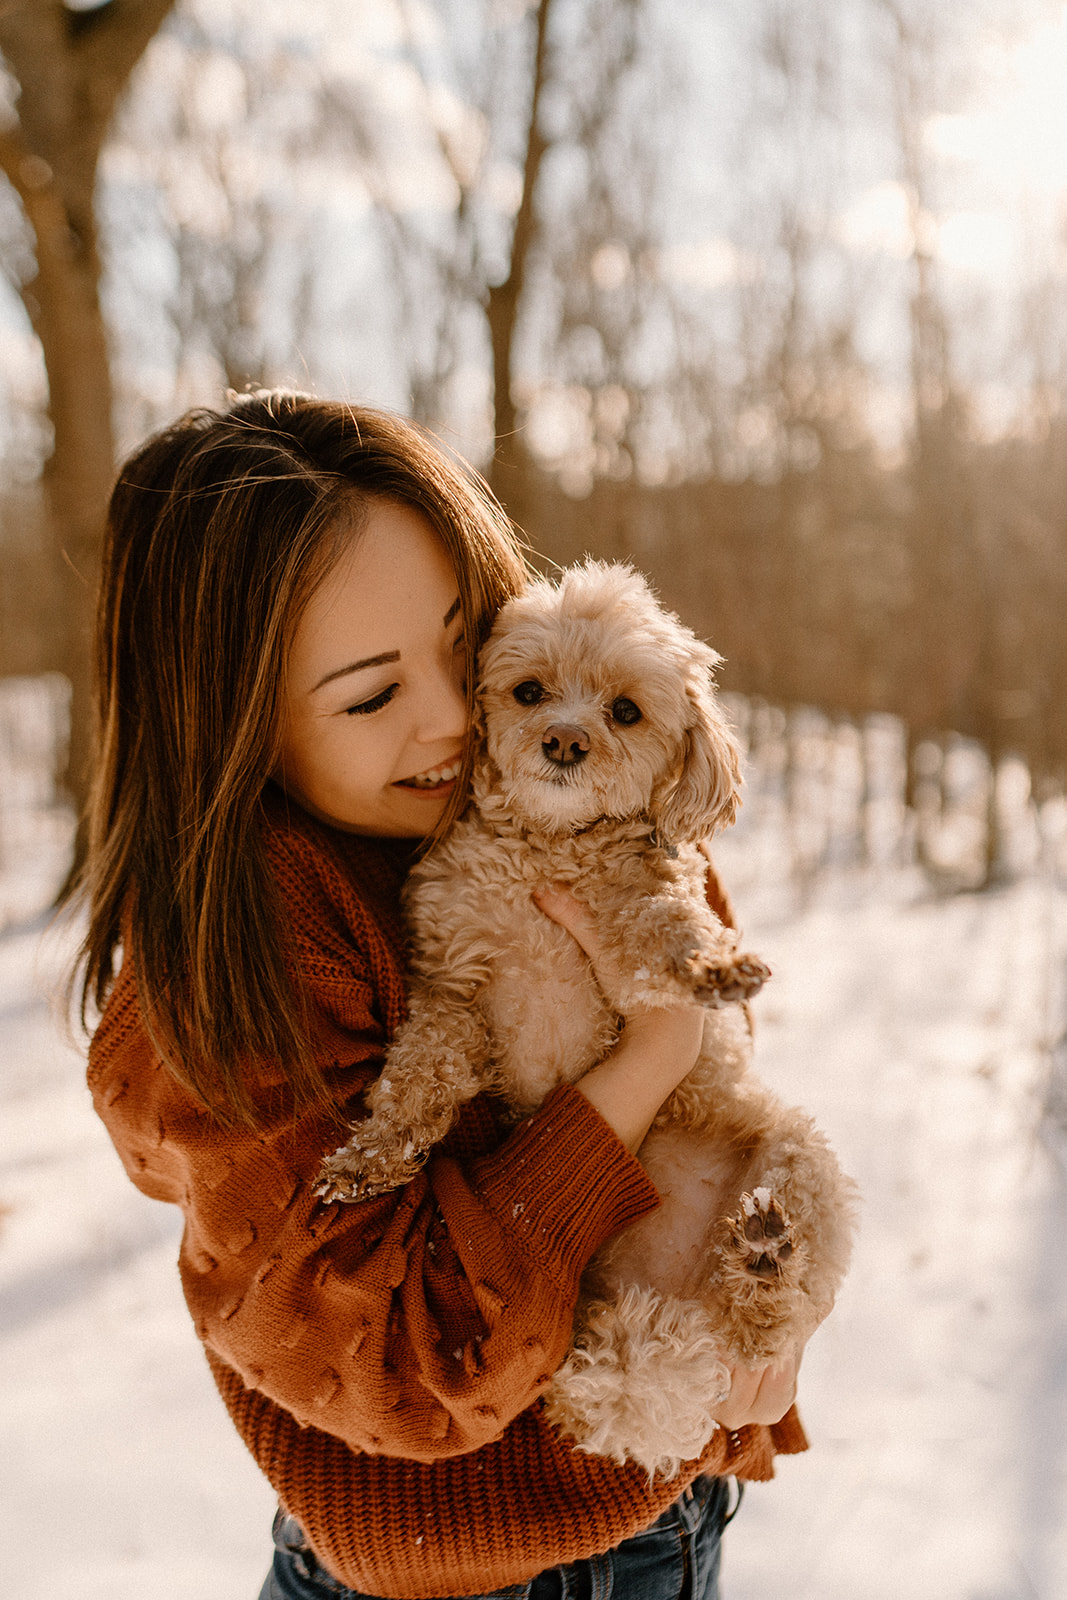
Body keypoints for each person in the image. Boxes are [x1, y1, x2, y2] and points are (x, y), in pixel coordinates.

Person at [73, 391, 809, 1600]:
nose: (459, 720)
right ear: (231, 726)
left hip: (667, 1524)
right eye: (371, 695)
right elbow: (407, 1364)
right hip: (463, 1573)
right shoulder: (260, 939)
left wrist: (762, 1311)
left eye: (467, 646)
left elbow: (709, 1089)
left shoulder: (546, 777)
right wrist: (646, 1057)